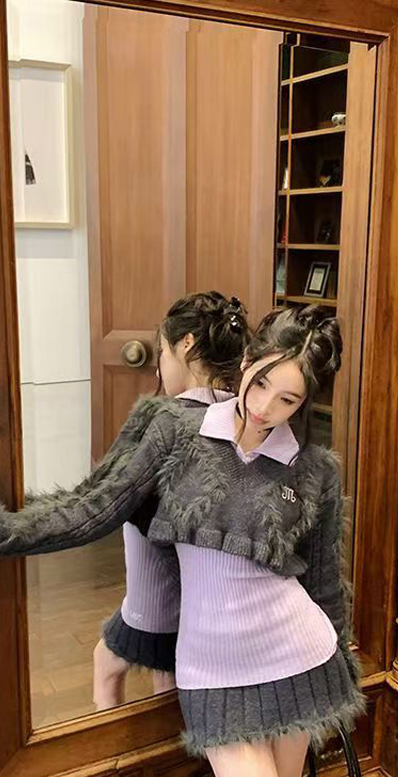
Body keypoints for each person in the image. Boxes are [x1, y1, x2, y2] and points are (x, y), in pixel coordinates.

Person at [0, 304, 364, 777]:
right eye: (261, 383)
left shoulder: (313, 468)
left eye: (287, 399)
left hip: (299, 658)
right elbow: (94, 508)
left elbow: (322, 583)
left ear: (304, 402)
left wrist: (342, 659)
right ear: (247, 360)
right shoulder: (178, 431)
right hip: (215, 673)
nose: (265, 406)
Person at [93, 291, 250, 709]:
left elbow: (113, 501)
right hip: (205, 608)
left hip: (154, 604)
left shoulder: (166, 427)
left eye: (162, 351)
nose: (160, 364)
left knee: (106, 663)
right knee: (169, 677)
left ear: (186, 345)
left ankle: (115, 749)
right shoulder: (243, 420)